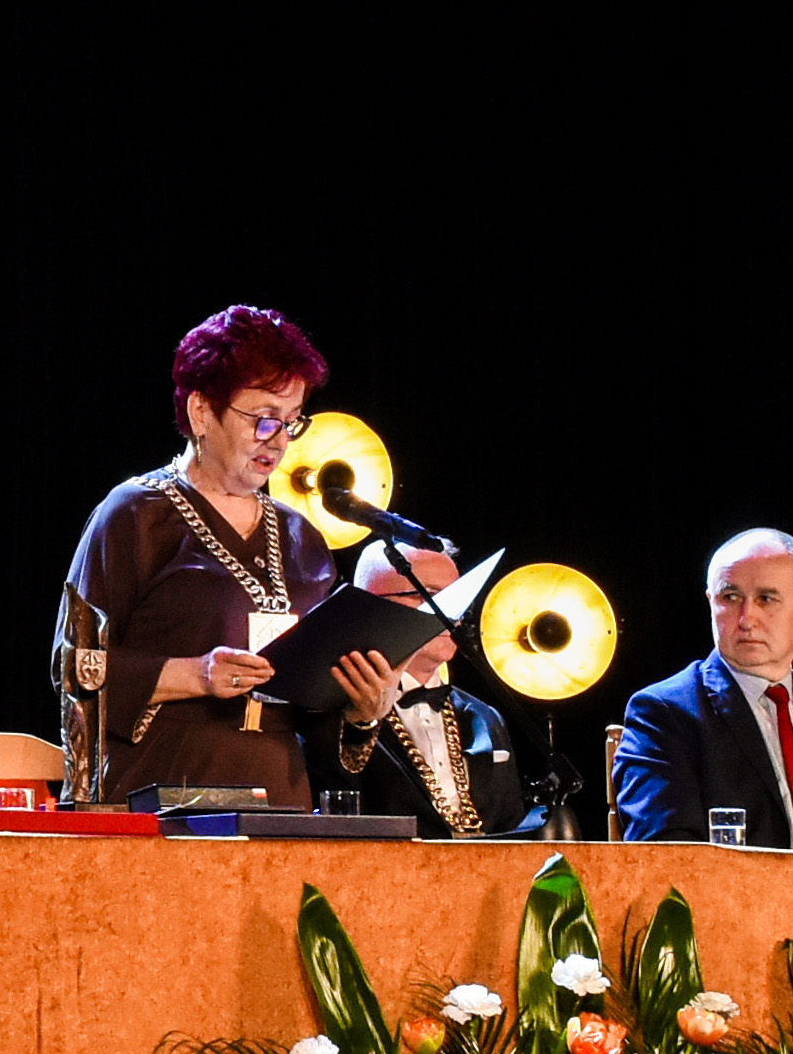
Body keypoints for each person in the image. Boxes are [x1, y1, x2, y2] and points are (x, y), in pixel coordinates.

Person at [52, 306, 407, 808]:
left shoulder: (302, 537)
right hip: (164, 795)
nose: (278, 441)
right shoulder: (136, 514)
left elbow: (319, 724)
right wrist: (196, 674)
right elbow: (73, 666)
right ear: (201, 411)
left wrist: (361, 710)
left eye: (291, 423)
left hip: (280, 798)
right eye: (264, 419)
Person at [612, 526, 793, 847]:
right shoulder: (665, 713)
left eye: (766, 599)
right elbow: (667, 852)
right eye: (730, 598)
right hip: (738, 882)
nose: (746, 619)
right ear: (711, 602)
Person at [308, 540, 537, 837]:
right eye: (429, 595)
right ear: (370, 605)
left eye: (458, 598)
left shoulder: (485, 717)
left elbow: (512, 832)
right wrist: (361, 722)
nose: (451, 613)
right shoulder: (326, 708)